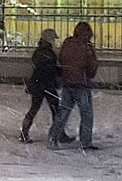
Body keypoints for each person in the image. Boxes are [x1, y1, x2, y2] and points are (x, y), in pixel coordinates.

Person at [49, 21, 99, 151]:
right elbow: (91, 67)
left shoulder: (67, 43)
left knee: (63, 112)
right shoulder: (87, 47)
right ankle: (85, 141)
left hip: (68, 83)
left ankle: (53, 137)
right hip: (82, 84)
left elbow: (61, 59)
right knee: (87, 114)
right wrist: (88, 74)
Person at [20, 29, 74, 145]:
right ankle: (59, 134)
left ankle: (24, 133)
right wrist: (62, 71)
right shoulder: (47, 52)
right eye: (53, 39)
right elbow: (49, 69)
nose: (55, 41)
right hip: (47, 84)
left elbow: (41, 68)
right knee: (55, 110)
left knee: (35, 109)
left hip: (38, 84)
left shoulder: (40, 51)